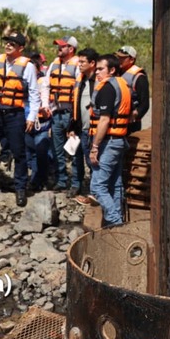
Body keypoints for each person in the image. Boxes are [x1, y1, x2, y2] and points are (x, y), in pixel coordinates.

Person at [0, 33, 40, 207]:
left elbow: (34, 93)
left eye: (13, 43)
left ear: (21, 48)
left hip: (15, 114)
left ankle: (20, 187)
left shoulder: (28, 67)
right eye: (7, 43)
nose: (8, 45)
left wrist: (31, 117)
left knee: (19, 152)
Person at [88, 54, 132, 227]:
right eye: (96, 69)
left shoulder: (107, 88)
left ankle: (116, 223)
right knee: (115, 183)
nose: (97, 72)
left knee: (97, 187)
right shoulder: (123, 84)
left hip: (109, 142)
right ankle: (115, 223)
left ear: (112, 70)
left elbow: (104, 120)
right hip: (119, 141)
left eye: (101, 69)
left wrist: (94, 147)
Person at [47, 36, 80, 191]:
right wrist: (46, 106)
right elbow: (46, 85)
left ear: (71, 49)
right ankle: (61, 180)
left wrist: (76, 117)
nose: (59, 49)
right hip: (56, 113)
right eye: (58, 46)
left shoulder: (78, 65)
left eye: (62, 46)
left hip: (71, 114)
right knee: (57, 150)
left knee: (74, 150)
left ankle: (76, 183)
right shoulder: (54, 64)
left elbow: (79, 91)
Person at [69, 48, 98, 204]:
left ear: (92, 63)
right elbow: (75, 104)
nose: (79, 64)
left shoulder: (98, 81)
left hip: (92, 129)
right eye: (78, 61)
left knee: (92, 161)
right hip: (79, 128)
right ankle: (76, 185)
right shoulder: (80, 80)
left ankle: (95, 192)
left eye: (82, 62)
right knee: (76, 158)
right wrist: (71, 127)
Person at [25, 52, 52, 193]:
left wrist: (44, 107)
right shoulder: (23, 81)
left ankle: (39, 180)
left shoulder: (43, 81)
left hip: (41, 123)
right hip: (26, 123)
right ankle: (34, 179)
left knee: (40, 152)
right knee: (29, 152)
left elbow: (45, 96)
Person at [115, 45, 149, 134]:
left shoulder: (139, 77)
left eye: (123, 58)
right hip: (116, 121)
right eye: (118, 57)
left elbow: (145, 104)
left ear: (131, 60)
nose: (119, 60)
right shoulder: (116, 73)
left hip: (130, 124)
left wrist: (135, 115)